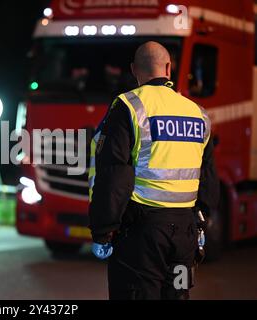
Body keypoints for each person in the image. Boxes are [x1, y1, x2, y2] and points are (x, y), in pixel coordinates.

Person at [87, 41, 220, 300]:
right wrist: (202, 225)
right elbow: (208, 177)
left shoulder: (128, 107)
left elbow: (114, 174)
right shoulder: (198, 114)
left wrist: (102, 231)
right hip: (185, 235)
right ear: (169, 68)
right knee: (178, 294)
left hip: (143, 234)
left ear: (134, 69)